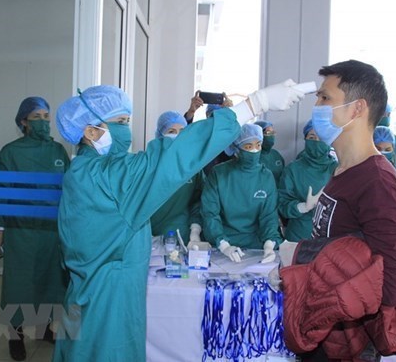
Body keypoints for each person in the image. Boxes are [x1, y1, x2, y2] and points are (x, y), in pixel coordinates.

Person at [52, 82, 304, 361]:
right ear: (90, 131)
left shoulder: (83, 170)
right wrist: (253, 105)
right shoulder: (110, 178)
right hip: (108, 306)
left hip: (87, 294)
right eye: (121, 121)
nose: (127, 129)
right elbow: (175, 154)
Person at [282, 60, 396, 361]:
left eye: (325, 98)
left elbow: (390, 288)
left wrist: (305, 258)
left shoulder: (377, 181)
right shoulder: (344, 169)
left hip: (347, 345)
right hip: (320, 328)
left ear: (357, 109)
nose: (316, 105)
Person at [0, 97, 70, 361]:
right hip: (21, 230)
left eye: (47, 116)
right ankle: (16, 336)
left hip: (51, 230)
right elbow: (0, 193)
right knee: (19, 284)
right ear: (23, 122)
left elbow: (68, 191)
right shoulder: (10, 153)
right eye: (37, 117)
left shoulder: (58, 151)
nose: (44, 122)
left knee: (50, 280)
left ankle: (45, 329)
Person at [201, 123, 283, 263]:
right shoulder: (219, 174)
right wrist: (223, 245)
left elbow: (269, 215)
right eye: (248, 147)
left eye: (258, 145)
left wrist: (269, 245)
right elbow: (210, 213)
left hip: (257, 244)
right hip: (223, 243)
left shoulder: (265, 176)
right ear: (236, 149)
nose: (255, 151)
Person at [149, 110, 204, 243]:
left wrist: (195, 230)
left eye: (182, 131)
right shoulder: (149, 164)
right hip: (150, 233)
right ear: (160, 135)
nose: (178, 136)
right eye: (172, 131)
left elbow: (198, 201)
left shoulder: (193, 166)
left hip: (181, 234)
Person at [278, 119, 337, 241]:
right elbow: (282, 205)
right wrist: (303, 207)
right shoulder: (293, 169)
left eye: (322, 137)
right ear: (305, 139)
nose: (317, 141)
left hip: (330, 236)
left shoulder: (338, 169)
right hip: (299, 235)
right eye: (312, 136)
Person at [377, 103, 396, 168]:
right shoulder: (367, 136)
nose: (386, 117)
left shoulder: (393, 137)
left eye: (388, 114)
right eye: (383, 114)